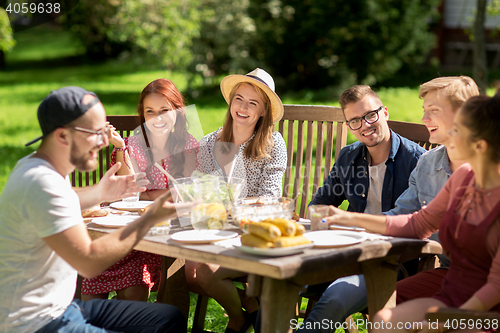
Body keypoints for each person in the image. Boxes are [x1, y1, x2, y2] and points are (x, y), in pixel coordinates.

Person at [0, 86, 195, 333]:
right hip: (35, 323)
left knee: (168, 317)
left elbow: (64, 198)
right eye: (96, 133)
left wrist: (101, 193)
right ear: (62, 136)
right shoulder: (41, 183)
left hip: (62, 309)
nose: (105, 141)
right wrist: (149, 220)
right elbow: (89, 263)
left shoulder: (37, 167)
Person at [295, 76, 480, 333]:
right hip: (447, 274)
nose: (424, 119)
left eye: (433, 111)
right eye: (354, 121)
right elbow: (415, 221)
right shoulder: (431, 165)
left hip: (404, 263)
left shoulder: (427, 160)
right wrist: (345, 219)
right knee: (383, 319)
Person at [81, 79, 199, 302]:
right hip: (125, 229)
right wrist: (120, 148)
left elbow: (184, 194)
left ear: (178, 111)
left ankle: (128, 316)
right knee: (94, 279)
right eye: (150, 112)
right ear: (143, 115)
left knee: (134, 291)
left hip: (160, 236)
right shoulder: (133, 145)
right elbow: (129, 192)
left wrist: (149, 194)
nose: (158, 118)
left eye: (165, 110)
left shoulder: (188, 145)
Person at [194, 68, 287, 333]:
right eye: (239, 99)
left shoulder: (273, 144)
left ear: (263, 112)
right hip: (216, 230)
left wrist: (233, 209)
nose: (243, 107)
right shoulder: (209, 143)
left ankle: (237, 319)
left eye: (253, 103)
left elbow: (270, 199)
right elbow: (203, 195)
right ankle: (250, 305)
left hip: (254, 233)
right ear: (231, 101)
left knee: (206, 271)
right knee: (187, 271)